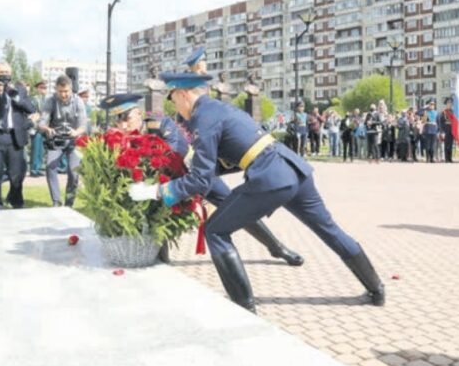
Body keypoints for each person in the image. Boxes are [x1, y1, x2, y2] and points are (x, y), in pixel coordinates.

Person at [128, 73, 384, 312]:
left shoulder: (202, 117)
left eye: (173, 99)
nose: (174, 108)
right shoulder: (220, 108)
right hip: (293, 168)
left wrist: (158, 191)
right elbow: (235, 153)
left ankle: (245, 307)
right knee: (329, 230)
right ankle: (377, 289)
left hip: (270, 176)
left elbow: (200, 179)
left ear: (183, 94)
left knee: (216, 230)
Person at [102, 92, 303, 266]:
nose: (123, 125)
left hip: (195, 176)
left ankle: (276, 247)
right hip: (164, 187)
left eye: (126, 118)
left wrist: (143, 158)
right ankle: (161, 261)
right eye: (118, 121)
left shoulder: (159, 124)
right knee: (157, 215)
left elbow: (176, 151)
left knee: (235, 208)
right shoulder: (122, 140)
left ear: (138, 113)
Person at [0, 62, 35, 210]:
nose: (4, 75)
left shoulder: (20, 90)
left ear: (11, 74)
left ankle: (16, 201)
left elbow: (30, 108)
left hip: (14, 136)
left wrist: (16, 97)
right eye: (1, 72)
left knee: (16, 173)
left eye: (7, 72)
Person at [38, 75, 87, 207]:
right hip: (56, 140)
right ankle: (56, 201)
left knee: (74, 172)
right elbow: (41, 123)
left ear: (71, 89)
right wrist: (47, 129)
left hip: (74, 139)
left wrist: (76, 132)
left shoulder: (78, 101)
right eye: (60, 91)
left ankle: (69, 203)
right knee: (50, 167)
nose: (63, 94)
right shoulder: (50, 101)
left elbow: (83, 125)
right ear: (56, 89)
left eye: (66, 91)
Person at [29, 80, 47, 177]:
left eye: (45, 88)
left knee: (41, 149)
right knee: (35, 149)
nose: (43, 90)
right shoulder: (34, 99)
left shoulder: (46, 100)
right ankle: (34, 169)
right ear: (37, 89)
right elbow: (32, 113)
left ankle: (39, 167)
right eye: (41, 88)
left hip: (43, 127)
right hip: (36, 127)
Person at [438, 98, 454, 163]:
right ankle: (447, 158)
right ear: (446, 104)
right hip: (446, 130)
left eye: (450, 104)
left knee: (451, 144)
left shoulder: (453, 112)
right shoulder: (443, 112)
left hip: (452, 130)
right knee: (446, 144)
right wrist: (442, 132)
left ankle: (450, 158)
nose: (449, 105)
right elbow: (441, 123)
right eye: (448, 104)